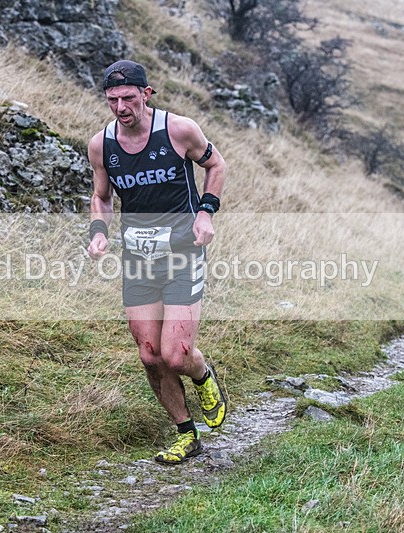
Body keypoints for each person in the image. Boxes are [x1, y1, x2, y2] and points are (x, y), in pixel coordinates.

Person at [86, 60, 228, 464]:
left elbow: (216, 165)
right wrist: (98, 232)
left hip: (183, 253)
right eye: (112, 100)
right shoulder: (102, 145)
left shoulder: (179, 130)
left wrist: (206, 212)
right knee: (149, 354)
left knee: (175, 353)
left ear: (146, 94)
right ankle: (187, 435)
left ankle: (201, 372)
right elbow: (102, 196)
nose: (120, 107)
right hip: (138, 259)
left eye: (128, 98)